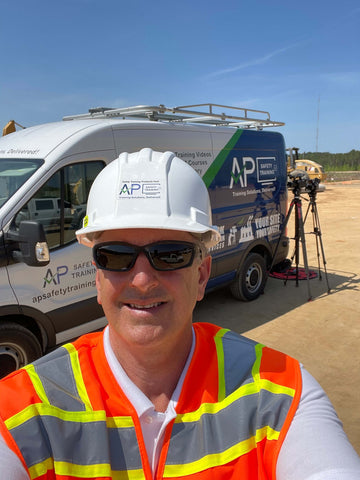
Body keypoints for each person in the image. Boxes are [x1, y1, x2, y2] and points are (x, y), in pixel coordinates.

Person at [0, 148, 359, 480]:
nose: (141, 280)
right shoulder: (25, 405)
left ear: (201, 276)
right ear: (98, 276)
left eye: (170, 255)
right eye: (116, 256)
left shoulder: (280, 392)